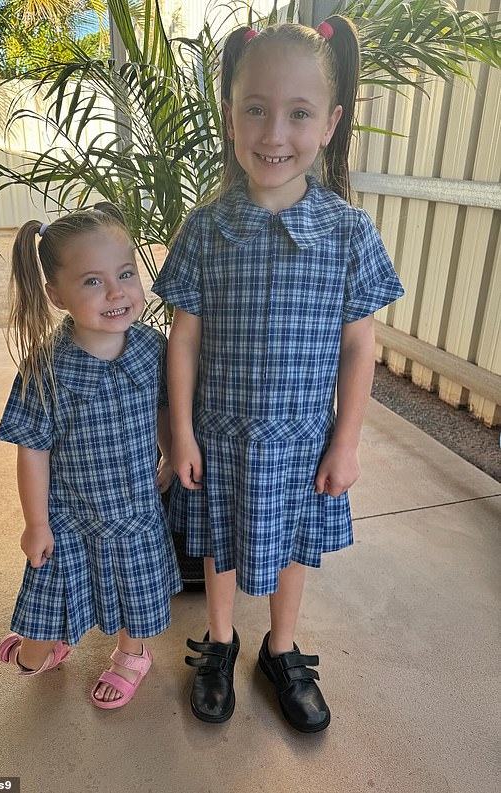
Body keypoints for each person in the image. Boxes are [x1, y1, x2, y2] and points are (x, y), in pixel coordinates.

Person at [152, 17, 404, 732]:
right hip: (220, 432)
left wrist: (347, 442)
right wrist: (180, 436)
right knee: (221, 542)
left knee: (294, 544)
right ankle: (222, 643)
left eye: (298, 113)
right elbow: (184, 338)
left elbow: (360, 346)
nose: (273, 133)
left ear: (330, 122)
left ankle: (281, 647)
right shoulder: (205, 227)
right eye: (255, 109)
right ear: (230, 117)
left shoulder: (349, 232)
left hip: (301, 438)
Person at [0, 203, 182, 708]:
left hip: (134, 508)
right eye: (93, 282)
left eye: (125, 274)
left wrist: (169, 457)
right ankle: (54, 640)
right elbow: (32, 448)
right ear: (56, 296)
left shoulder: (151, 348)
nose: (117, 292)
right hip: (71, 512)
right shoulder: (46, 369)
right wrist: (36, 522)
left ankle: (131, 654)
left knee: (132, 595)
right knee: (56, 586)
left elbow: (164, 405)